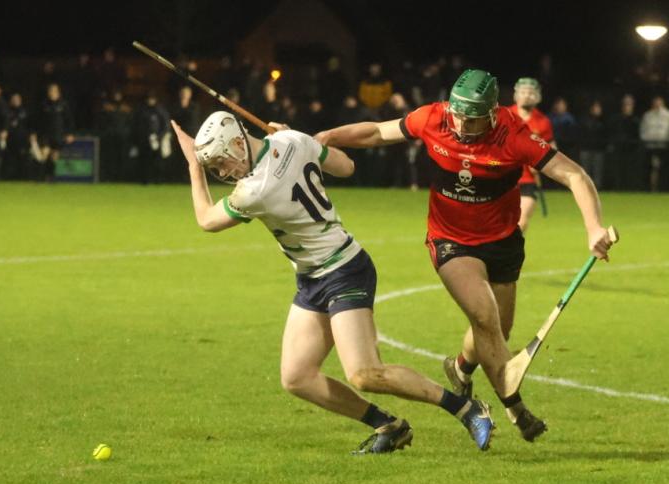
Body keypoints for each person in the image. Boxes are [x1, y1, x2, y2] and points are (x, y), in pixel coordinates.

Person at [315, 69, 615, 443]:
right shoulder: (434, 117)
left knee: (496, 330)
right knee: (484, 315)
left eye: (471, 118)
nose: (461, 124)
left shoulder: (514, 135)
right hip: (450, 241)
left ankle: (460, 367)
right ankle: (515, 408)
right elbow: (377, 132)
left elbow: (574, 174)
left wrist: (593, 227)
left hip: (503, 241)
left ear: (491, 114)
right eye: (458, 115)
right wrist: (326, 137)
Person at [170, 111, 495, 454]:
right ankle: (388, 426)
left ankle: (465, 407)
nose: (222, 172)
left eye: (222, 161)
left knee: (365, 373)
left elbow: (206, 219)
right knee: (297, 377)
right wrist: (298, 141)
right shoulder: (292, 140)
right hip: (313, 277)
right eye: (213, 167)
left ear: (238, 142)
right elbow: (346, 167)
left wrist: (193, 165)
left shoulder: (253, 191)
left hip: (343, 270)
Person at [508, 78, 556, 232]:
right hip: (504, 177)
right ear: (516, 95)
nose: (527, 96)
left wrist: (540, 165)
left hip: (528, 180)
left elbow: (551, 150)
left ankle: (511, 253)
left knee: (520, 222)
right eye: (523, 92)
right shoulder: (505, 115)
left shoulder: (543, 122)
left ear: (537, 96)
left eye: (530, 92)